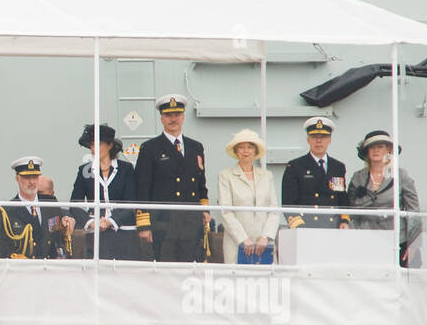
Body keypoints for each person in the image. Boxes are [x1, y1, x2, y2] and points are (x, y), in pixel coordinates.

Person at [134, 94, 211, 262]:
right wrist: (144, 224)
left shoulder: (195, 147)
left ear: (183, 117)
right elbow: (142, 188)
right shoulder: (150, 148)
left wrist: (204, 210)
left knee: (191, 268)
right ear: (162, 118)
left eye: (177, 115)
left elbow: (201, 184)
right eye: (168, 115)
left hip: (191, 219)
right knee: (166, 271)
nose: (173, 119)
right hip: (163, 222)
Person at [348, 130, 422, 268]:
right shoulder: (358, 177)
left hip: (396, 240)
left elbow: (413, 212)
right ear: (366, 151)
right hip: (366, 241)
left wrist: (414, 244)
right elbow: (351, 213)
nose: (376, 150)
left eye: (380, 146)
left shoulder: (401, 175)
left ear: (389, 149)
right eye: (371, 146)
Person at [70, 123, 141, 260]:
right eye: (91, 145)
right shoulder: (85, 171)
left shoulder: (126, 169)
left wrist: (111, 221)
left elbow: (131, 201)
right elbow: (75, 203)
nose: (93, 148)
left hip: (124, 232)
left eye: (98, 144)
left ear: (110, 145)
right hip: (96, 234)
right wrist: (91, 223)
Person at [216, 128, 280, 264]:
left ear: (256, 151)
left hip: (264, 245)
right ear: (235, 151)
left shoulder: (267, 176)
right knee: (237, 282)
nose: (246, 151)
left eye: (250, 147)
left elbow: (274, 210)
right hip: (236, 243)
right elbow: (226, 212)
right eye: (241, 147)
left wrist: (266, 237)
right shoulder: (226, 176)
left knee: (266, 282)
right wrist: (244, 239)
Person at [0, 156, 72, 259]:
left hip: (49, 269)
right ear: (17, 179)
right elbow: (3, 247)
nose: (32, 182)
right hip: (21, 270)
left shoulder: (51, 205)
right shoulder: (7, 211)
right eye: (27, 177)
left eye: (35, 177)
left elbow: (58, 240)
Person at [281, 116, 351, 230]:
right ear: (308, 140)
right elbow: (289, 202)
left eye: (323, 137)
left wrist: (344, 220)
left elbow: (341, 198)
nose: (319, 141)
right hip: (306, 226)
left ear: (330, 139)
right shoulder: (295, 166)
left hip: (333, 226)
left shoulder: (337, 167)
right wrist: (298, 225)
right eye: (314, 137)